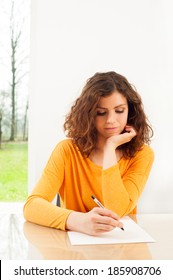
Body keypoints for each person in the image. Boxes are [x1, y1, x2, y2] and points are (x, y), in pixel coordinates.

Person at [23, 71, 154, 236]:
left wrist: (110, 148)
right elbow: (31, 206)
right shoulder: (67, 150)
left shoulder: (142, 154)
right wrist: (78, 221)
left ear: (130, 111)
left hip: (121, 246)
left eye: (119, 110)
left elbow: (117, 209)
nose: (111, 120)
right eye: (101, 112)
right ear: (89, 114)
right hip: (73, 248)